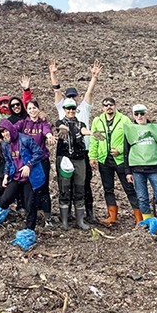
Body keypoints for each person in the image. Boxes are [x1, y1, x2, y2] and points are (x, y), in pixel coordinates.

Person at [49, 59, 101, 222]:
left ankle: (88, 213)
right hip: (65, 150)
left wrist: (94, 77)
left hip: (82, 151)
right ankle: (68, 214)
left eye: (74, 95)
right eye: (69, 96)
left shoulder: (83, 107)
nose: (71, 98)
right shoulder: (62, 107)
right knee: (65, 183)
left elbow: (90, 93)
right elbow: (57, 91)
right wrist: (53, 74)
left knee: (84, 183)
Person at [0, 119, 46, 232]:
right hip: (16, 176)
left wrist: (28, 165)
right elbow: (9, 162)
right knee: (5, 199)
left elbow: (39, 152)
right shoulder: (5, 145)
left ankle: (29, 231)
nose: (5, 134)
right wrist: (6, 176)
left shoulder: (25, 139)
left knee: (30, 205)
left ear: (11, 129)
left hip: (30, 178)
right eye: (2, 132)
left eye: (6, 131)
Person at [123, 104, 157, 236]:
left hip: (155, 168)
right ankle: (147, 225)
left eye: (142, 113)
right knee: (142, 198)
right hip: (137, 169)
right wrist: (128, 172)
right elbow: (126, 151)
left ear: (147, 114)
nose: (139, 116)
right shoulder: (129, 129)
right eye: (136, 114)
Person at [89, 97, 139, 226]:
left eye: (110, 104)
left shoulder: (124, 120)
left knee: (129, 188)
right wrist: (92, 156)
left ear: (115, 106)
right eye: (105, 105)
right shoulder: (98, 121)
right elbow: (95, 139)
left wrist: (120, 150)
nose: (108, 107)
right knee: (108, 188)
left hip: (120, 160)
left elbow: (130, 138)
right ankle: (112, 215)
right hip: (104, 159)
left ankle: (139, 217)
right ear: (102, 108)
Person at [14, 100, 56, 221]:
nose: (32, 110)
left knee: (43, 188)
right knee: (28, 188)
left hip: (41, 161)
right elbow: (12, 130)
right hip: (26, 162)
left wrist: (49, 136)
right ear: (27, 111)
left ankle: (47, 216)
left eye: (34, 108)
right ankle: (30, 214)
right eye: (30, 108)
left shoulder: (42, 123)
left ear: (38, 109)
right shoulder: (23, 123)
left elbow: (47, 131)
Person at [54, 98, 92, 230]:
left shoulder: (80, 124)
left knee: (80, 188)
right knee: (64, 189)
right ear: (64, 110)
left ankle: (80, 220)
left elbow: (83, 131)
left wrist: (92, 133)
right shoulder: (60, 122)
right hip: (64, 158)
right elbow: (59, 126)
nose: (71, 111)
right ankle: (64, 220)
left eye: (73, 108)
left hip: (79, 159)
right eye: (68, 108)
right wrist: (62, 128)